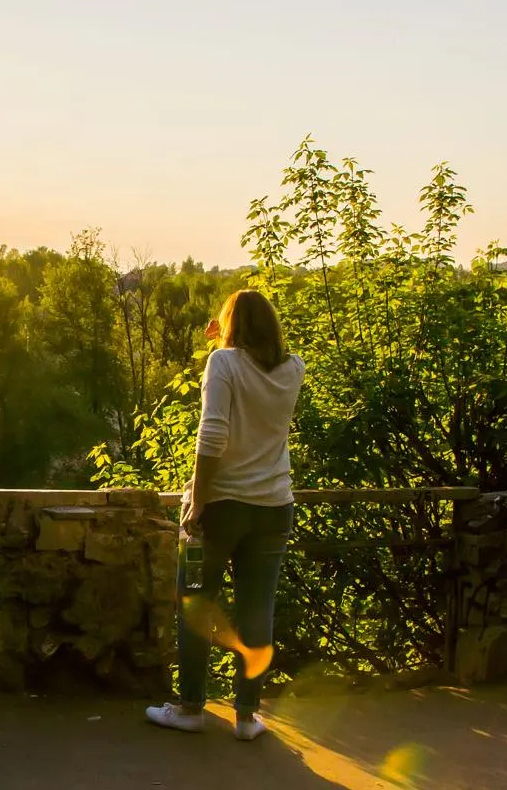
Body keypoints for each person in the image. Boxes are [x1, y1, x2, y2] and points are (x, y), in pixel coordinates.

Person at [146, 290, 304, 742]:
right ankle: (247, 716)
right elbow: (254, 385)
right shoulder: (294, 370)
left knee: (195, 604)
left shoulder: (224, 364)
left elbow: (213, 431)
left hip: (218, 510)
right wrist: (224, 347)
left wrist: (199, 497)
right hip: (274, 508)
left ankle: (191, 707)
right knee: (258, 611)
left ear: (229, 324)